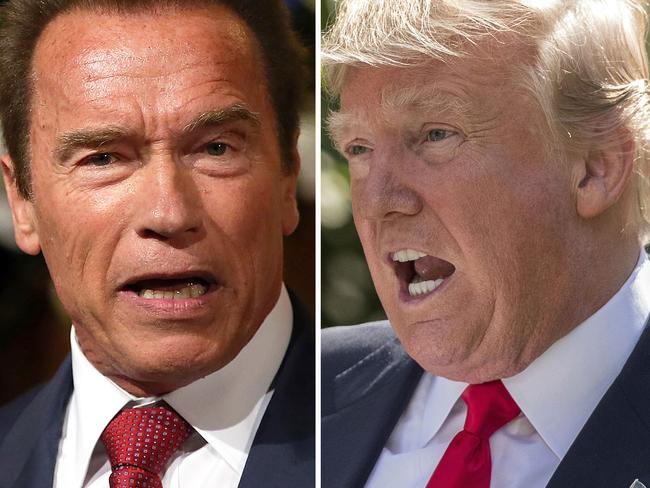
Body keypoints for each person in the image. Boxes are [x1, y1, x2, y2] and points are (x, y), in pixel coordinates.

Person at [322, 0, 650, 487]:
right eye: (359, 149)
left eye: (435, 135)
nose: (377, 202)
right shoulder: (298, 395)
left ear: (596, 168)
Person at [0, 0, 314, 487]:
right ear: (22, 200)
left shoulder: (418, 440)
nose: (169, 213)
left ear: (287, 175)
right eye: (103, 158)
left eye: (216, 149)